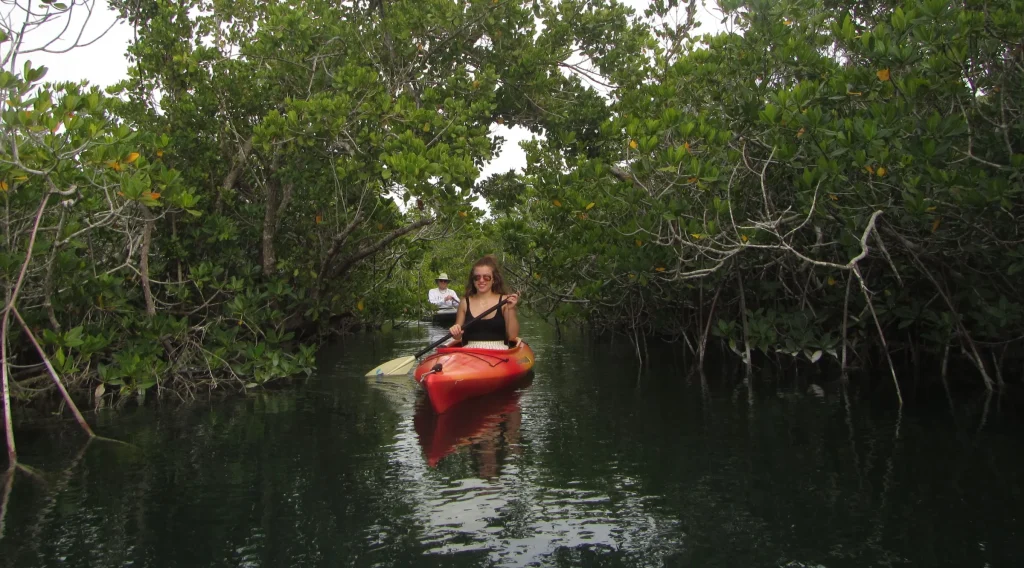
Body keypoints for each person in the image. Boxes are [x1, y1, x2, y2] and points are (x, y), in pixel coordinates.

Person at [448, 255, 520, 349]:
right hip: (469, 354)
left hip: (500, 353)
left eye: (486, 277)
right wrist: (455, 330)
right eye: (477, 277)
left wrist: (511, 309)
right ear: (473, 280)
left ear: (493, 279)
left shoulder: (505, 301)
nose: (481, 280)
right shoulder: (465, 302)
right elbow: (457, 337)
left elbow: (512, 336)